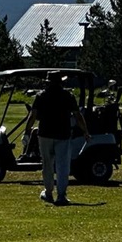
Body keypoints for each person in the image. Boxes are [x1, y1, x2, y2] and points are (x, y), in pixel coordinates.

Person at [27, 70, 90, 206]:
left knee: (47, 165)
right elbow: (78, 116)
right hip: (63, 134)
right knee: (63, 165)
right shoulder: (68, 96)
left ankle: (48, 192)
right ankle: (61, 195)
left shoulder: (41, 96)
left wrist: (27, 131)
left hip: (45, 134)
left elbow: (32, 116)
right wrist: (85, 131)